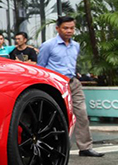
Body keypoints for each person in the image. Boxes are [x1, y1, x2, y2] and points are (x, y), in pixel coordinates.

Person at [38, 16, 104, 157]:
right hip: (56, 85)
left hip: (73, 83)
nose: (69, 31)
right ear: (58, 28)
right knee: (57, 116)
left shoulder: (76, 45)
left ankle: (85, 147)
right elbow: (41, 67)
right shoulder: (48, 45)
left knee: (82, 115)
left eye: (72, 28)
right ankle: (56, 148)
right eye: (65, 28)